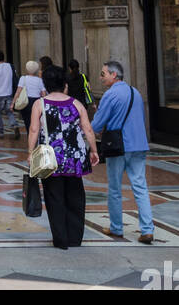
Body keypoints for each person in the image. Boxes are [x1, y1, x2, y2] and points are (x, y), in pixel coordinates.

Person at [28, 64, 98, 249]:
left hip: (51, 158)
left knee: (54, 197)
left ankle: (61, 239)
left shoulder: (40, 104)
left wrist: (30, 153)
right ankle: (75, 238)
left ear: (46, 84)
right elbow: (87, 128)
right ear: (64, 84)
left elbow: (34, 129)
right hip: (75, 157)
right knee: (76, 196)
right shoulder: (76, 103)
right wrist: (94, 150)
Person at [91, 60, 155, 244]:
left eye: (103, 74)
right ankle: (147, 229)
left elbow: (97, 123)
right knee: (140, 187)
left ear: (114, 75)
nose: (100, 77)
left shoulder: (110, 95)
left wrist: (86, 128)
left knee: (114, 188)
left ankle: (117, 227)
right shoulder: (135, 92)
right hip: (138, 144)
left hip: (118, 146)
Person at [0, 49, 20, 139]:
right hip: (9, 93)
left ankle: (0, 132)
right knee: (9, 111)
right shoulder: (10, 66)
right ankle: (14, 125)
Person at [17, 60, 46, 133]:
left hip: (26, 102)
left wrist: (13, 102)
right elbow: (43, 93)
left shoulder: (23, 78)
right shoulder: (39, 80)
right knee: (37, 121)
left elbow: (18, 91)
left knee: (27, 122)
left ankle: (30, 137)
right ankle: (37, 136)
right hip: (37, 102)